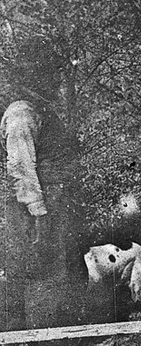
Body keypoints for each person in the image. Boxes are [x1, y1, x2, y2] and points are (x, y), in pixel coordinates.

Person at [1, 99, 79, 330]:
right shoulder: (21, 113)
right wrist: (38, 213)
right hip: (35, 209)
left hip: (48, 203)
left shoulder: (33, 110)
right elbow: (21, 166)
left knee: (51, 274)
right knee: (39, 274)